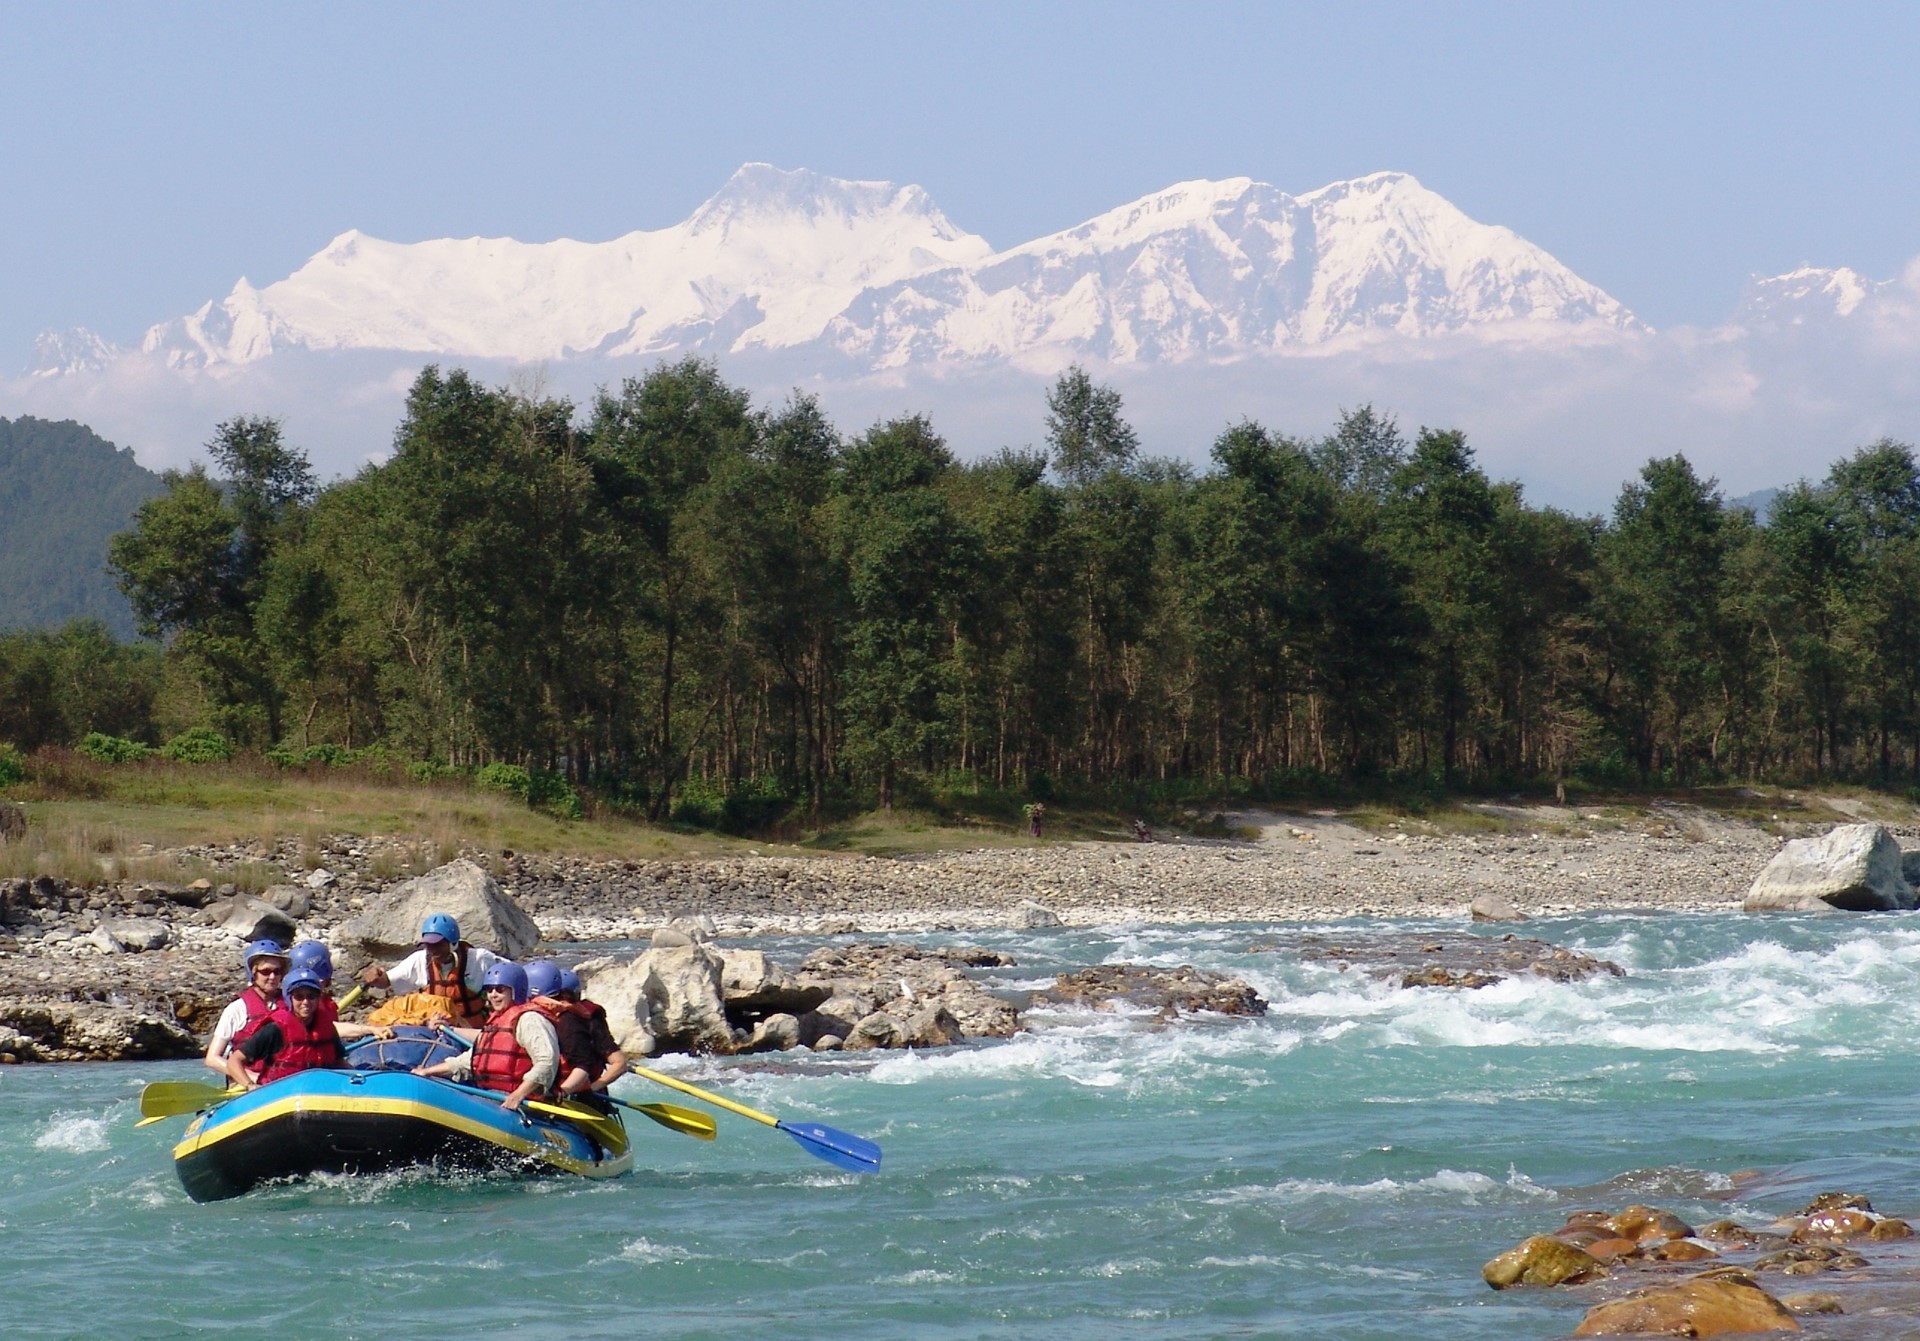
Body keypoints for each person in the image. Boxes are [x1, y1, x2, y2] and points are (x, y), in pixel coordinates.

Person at [411, 961, 558, 1112]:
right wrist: (427, 1072)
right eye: (489, 990)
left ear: (516, 991)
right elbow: (468, 1061)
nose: (493, 995)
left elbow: (546, 1062)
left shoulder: (530, 1020)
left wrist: (518, 1095)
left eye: (500, 990)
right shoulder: (495, 1021)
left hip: (519, 1101)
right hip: (491, 1094)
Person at [226, 967, 392, 1089]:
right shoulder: (275, 1029)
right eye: (299, 997)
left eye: (311, 996)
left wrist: (361, 1079)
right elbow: (235, 1061)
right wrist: (250, 1085)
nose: (305, 1002)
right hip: (279, 1095)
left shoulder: (326, 1027)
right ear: (290, 999)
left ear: (318, 998)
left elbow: (338, 1061)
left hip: (318, 1092)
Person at [359, 913, 503, 1026]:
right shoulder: (419, 960)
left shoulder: (480, 959)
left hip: (470, 1032)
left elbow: (513, 975)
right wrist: (376, 977)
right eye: (428, 945)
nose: (433, 950)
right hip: (435, 1028)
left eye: (438, 944)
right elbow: (386, 981)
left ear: (452, 942)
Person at [203, 939, 289, 1077]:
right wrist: (250, 1077)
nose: (272, 977)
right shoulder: (236, 1009)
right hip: (247, 1083)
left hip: (283, 1079)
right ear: (253, 973)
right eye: (265, 972)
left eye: (277, 971)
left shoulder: (291, 1004)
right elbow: (212, 1059)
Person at [557, 966, 629, 1097]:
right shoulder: (540, 1018)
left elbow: (620, 1063)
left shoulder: (591, 1020)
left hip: (583, 1097)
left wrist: (590, 1090)